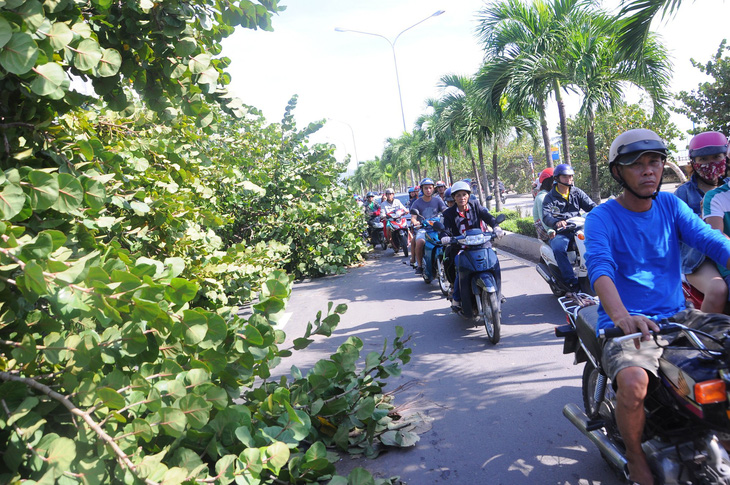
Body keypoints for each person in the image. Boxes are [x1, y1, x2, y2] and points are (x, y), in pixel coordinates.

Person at [585, 128, 730, 485]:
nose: (648, 170)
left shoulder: (670, 204)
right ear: (618, 172)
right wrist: (621, 316)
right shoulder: (602, 217)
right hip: (628, 325)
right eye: (636, 164)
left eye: (655, 162)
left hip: (680, 317)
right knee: (634, 383)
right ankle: (636, 459)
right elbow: (600, 268)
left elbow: (708, 238)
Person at [674, 131, 730, 313]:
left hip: (725, 250)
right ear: (694, 163)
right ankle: (706, 336)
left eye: (716, 157)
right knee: (718, 290)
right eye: (703, 159)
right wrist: (699, 221)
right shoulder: (683, 194)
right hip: (698, 258)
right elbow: (676, 230)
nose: (710, 163)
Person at [440, 180, 503, 312]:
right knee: (460, 268)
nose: (461, 198)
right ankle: (457, 298)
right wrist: (445, 237)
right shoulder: (448, 214)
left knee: (493, 261)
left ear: (468, 195)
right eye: (458, 195)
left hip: (481, 244)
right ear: (453, 198)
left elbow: (488, 217)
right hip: (461, 248)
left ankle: (497, 290)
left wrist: (496, 227)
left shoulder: (475, 205)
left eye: (464, 194)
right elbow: (444, 230)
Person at [542, 163, 597, 292]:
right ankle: (571, 283)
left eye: (571, 177)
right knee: (559, 248)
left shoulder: (577, 192)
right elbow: (546, 216)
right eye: (565, 177)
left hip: (578, 227)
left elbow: (591, 206)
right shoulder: (550, 197)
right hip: (562, 231)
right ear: (557, 178)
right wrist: (556, 222)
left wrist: (600, 212)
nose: (569, 180)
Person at [410, 178, 447, 275]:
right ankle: (419, 266)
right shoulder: (417, 203)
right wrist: (415, 222)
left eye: (430, 188)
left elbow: (445, 212)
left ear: (433, 189)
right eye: (426, 188)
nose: (428, 190)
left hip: (437, 228)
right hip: (423, 229)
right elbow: (413, 217)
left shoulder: (438, 200)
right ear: (422, 189)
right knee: (419, 242)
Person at [381, 187, 408, 252]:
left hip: (399, 219)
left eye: (390, 194)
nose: (389, 195)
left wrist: (406, 211)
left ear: (393, 194)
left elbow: (403, 208)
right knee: (387, 227)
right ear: (386, 195)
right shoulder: (383, 204)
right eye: (388, 194)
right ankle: (388, 240)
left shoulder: (397, 201)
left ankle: (411, 239)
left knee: (407, 226)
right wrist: (384, 216)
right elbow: (382, 212)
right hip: (390, 220)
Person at [532, 167, 554, 242]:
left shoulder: (554, 195)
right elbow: (544, 218)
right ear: (549, 182)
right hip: (548, 233)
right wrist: (550, 230)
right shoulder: (542, 198)